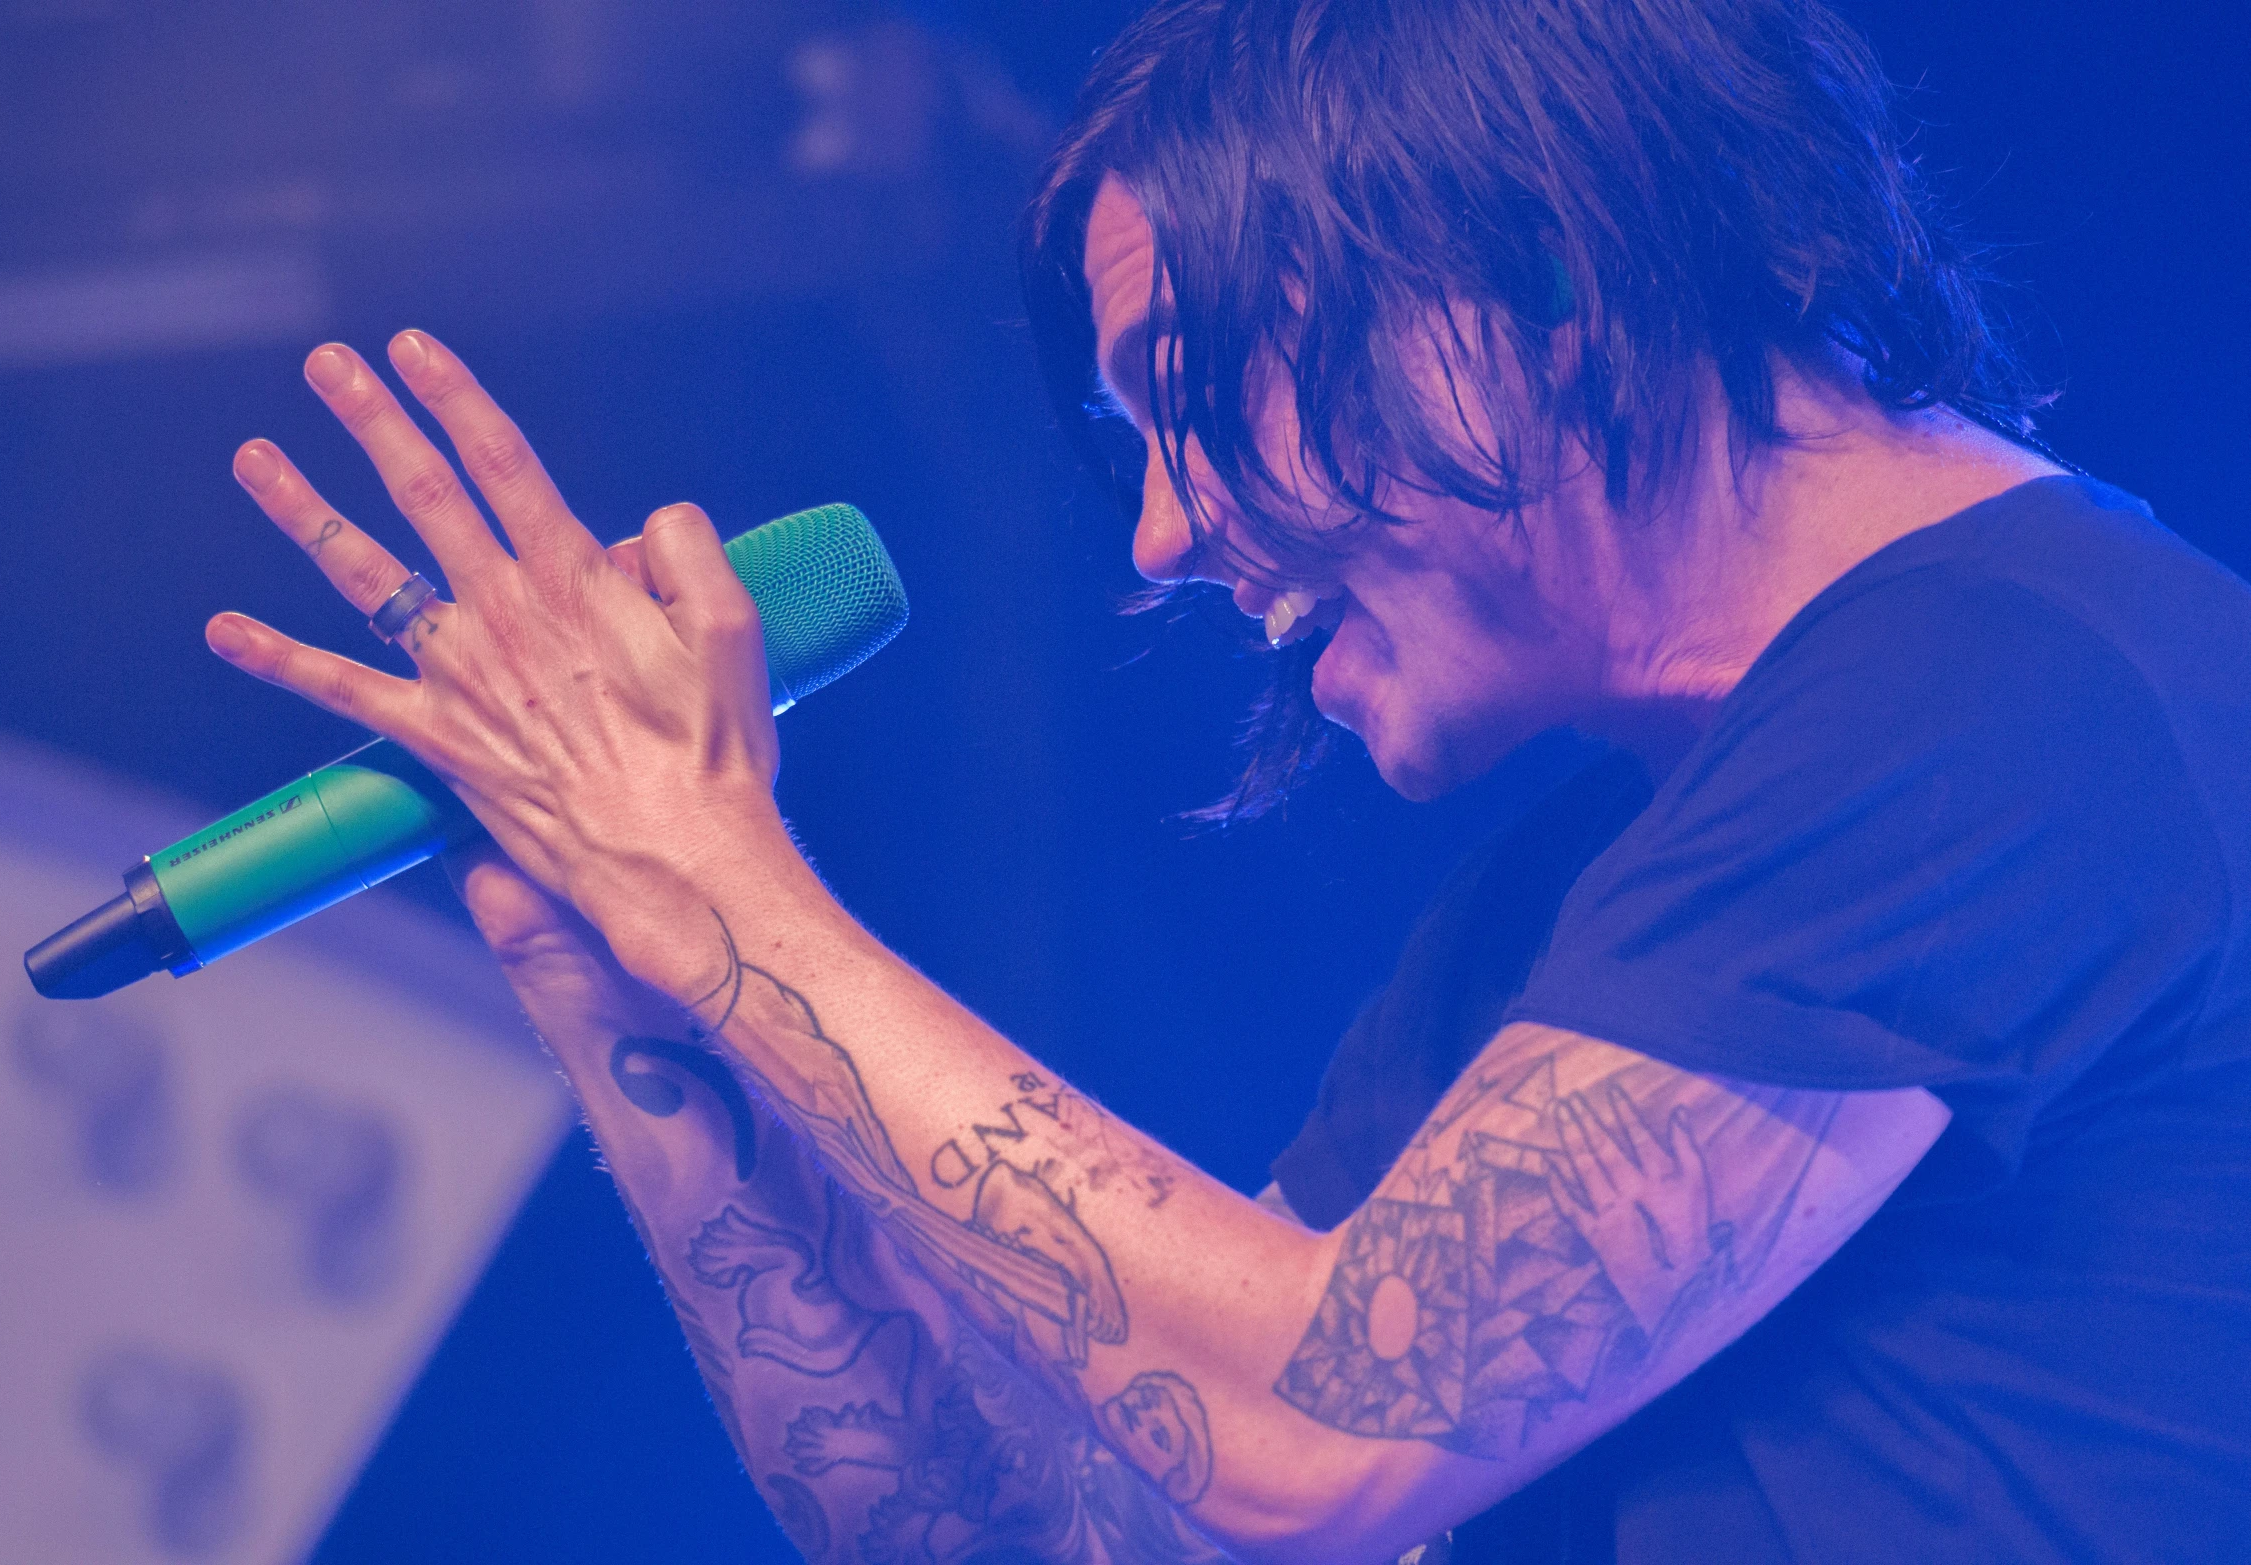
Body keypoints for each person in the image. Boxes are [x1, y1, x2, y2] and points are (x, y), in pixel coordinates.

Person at [200, 0, 2251, 1559]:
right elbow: (1060, 1520)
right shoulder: (1595, 881)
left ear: (1513, 289)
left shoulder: (2011, 680)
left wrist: (721, 881)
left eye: (1186, 402)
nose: (1162, 531)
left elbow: (1313, 1432)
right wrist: (629, 982)